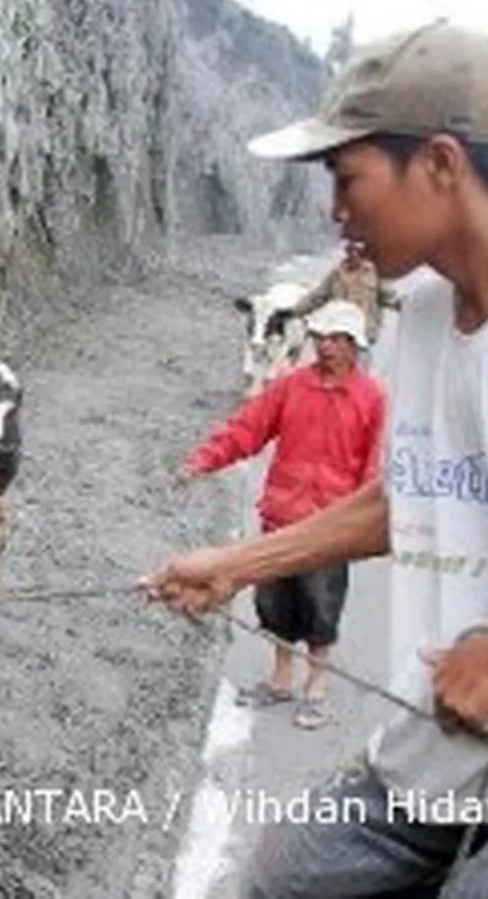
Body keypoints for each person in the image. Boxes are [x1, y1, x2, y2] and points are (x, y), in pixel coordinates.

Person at [142, 19, 488, 898]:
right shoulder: (422, 316)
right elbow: (413, 498)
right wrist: (238, 563)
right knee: (282, 877)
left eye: (349, 178)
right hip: (442, 742)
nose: (336, 209)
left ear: (441, 165)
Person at [180, 300, 385, 729]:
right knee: (274, 602)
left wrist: (359, 526)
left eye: (335, 340)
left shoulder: (372, 399)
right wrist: (204, 460)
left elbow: (375, 471)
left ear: (353, 346)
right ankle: (281, 677)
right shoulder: (291, 387)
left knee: (321, 607)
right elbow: (247, 428)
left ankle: (318, 686)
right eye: (320, 338)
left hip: (330, 527)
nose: (324, 347)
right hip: (281, 517)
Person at [275, 238, 403, 351]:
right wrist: (293, 312)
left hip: (363, 336)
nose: (354, 254)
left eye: (357, 251)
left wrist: (407, 307)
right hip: (339, 335)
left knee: (360, 374)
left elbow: (389, 298)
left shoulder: (375, 274)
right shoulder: (336, 275)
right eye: (350, 250)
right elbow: (316, 297)